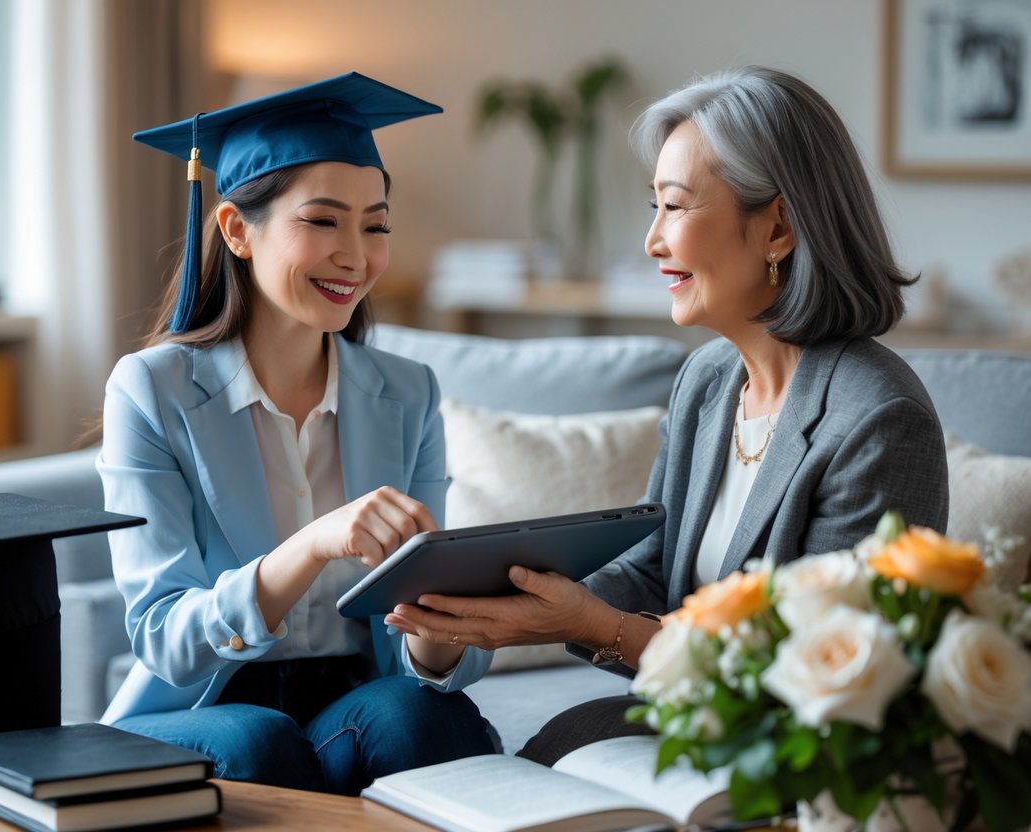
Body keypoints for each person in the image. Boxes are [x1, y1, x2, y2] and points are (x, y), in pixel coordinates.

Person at [385, 65, 950, 765]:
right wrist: (499, 603)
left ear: (776, 227)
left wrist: (591, 623)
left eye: (675, 208)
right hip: (691, 721)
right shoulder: (710, 380)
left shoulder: (877, 420)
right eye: (653, 207)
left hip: (791, 760)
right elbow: (652, 570)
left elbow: (823, 681)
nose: (652, 241)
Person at [97, 72, 495, 795]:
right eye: (322, 221)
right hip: (208, 705)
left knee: (423, 718)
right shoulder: (152, 390)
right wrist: (312, 545)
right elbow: (163, 638)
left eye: (375, 225)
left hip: (354, 697)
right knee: (258, 740)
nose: (356, 254)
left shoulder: (408, 393)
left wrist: (436, 636)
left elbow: (435, 659)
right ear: (236, 230)